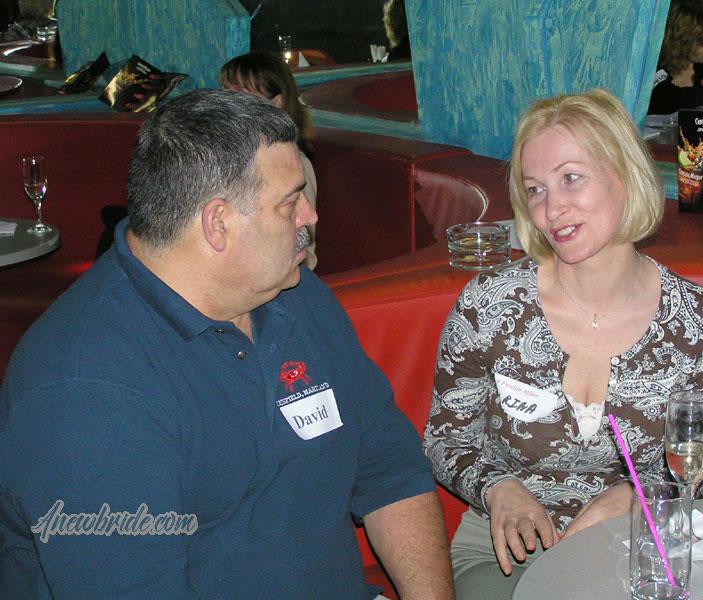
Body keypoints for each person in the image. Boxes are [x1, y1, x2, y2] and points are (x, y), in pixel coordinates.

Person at [0, 89, 454, 600]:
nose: (310, 216)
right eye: (290, 203)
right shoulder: (84, 392)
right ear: (218, 224)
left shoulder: (297, 298)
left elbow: (391, 470)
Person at [423, 88, 703, 600]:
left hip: (637, 544)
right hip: (508, 554)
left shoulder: (699, 321)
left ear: (625, 175)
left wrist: (632, 496)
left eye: (571, 177)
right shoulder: (490, 305)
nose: (551, 209)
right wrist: (499, 489)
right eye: (535, 189)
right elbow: (445, 438)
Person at [221, 51, 320, 269]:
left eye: (240, 94)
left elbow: (303, 245)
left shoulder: (295, 165)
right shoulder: (226, 158)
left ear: (277, 103)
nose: (228, 103)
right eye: (225, 92)